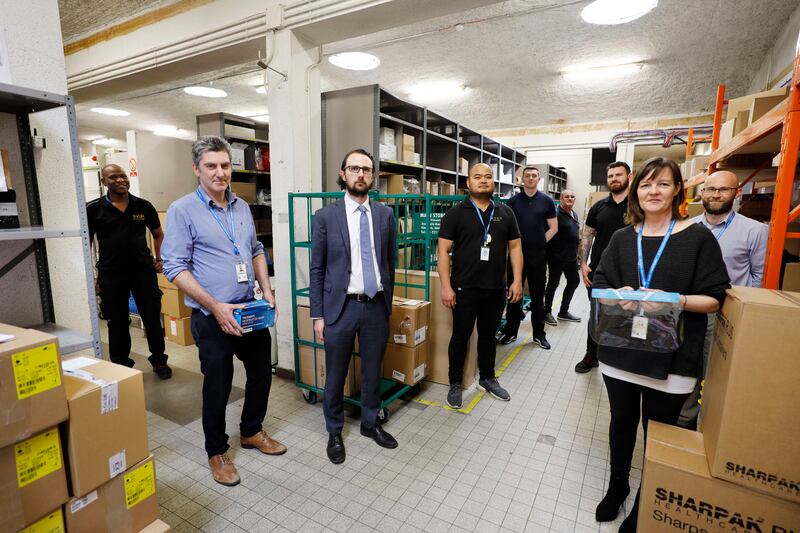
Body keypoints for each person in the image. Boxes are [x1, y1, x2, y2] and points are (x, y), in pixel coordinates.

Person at [591, 157, 729, 532]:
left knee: (660, 430)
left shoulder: (697, 237)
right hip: (621, 350)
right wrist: (617, 295)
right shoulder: (622, 238)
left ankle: (646, 497)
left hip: (672, 357)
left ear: (677, 190)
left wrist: (675, 300)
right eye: (646, 184)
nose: (653, 191)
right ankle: (617, 484)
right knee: (621, 422)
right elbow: (599, 282)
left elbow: (715, 298)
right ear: (636, 191)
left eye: (663, 184)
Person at [161, 136, 284, 487]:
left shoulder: (242, 207)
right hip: (212, 315)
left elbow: (256, 249)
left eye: (225, 165)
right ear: (196, 169)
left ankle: (252, 431)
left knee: (262, 371)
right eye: (212, 166)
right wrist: (215, 306)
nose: (220, 173)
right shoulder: (183, 210)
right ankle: (216, 450)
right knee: (219, 382)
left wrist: (268, 290)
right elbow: (174, 267)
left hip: (249, 310)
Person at [310, 148, 398, 465]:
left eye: (366, 169)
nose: (360, 174)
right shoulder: (325, 217)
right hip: (339, 308)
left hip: (375, 306)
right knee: (335, 375)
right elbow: (317, 269)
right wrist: (318, 314)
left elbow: (390, 262)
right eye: (354, 168)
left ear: (372, 176)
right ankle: (334, 431)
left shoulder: (386, 215)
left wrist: (387, 302)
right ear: (343, 174)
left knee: (373, 371)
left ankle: (370, 423)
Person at [677, 170, 768, 428]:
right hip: (692, 309)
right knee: (690, 365)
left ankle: (710, 423)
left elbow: (758, 276)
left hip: (726, 314)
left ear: (736, 193)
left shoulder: (755, 231)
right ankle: (685, 419)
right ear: (702, 193)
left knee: (715, 371)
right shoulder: (688, 229)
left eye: (724, 189)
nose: (716, 194)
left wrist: (746, 316)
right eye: (711, 189)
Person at [438, 163, 523, 409]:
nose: (483, 181)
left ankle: (487, 377)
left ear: (494, 182)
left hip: (495, 288)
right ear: (468, 182)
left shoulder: (505, 213)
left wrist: (516, 280)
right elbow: (443, 250)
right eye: (477, 177)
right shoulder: (456, 213)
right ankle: (455, 383)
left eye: (488, 177)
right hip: (464, 288)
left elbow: (515, 248)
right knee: (461, 336)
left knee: (488, 336)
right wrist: (446, 286)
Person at [86, 164, 172, 379]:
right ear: (103, 181)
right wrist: (91, 276)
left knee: (152, 318)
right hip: (111, 274)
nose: (120, 180)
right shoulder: (93, 209)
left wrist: (159, 259)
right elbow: (85, 243)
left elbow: (158, 234)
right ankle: (122, 365)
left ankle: (159, 361)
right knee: (117, 322)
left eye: (123, 176)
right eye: (113, 177)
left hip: (143, 271)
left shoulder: (143, 206)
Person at [574, 161, 631, 373]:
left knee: (626, 315)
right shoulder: (599, 207)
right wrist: (583, 263)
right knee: (597, 314)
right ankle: (592, 355)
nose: (614, 179)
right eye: (611, 176)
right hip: (599, 272)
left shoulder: (638, 205)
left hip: (629, 273)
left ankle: (622, 356)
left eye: (618, 175)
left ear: (629, 177)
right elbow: (587, 236)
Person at [498, 166, 557, 348]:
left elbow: (554, 227)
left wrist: (540, 241)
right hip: (516, 256)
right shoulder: (513, 202)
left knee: (538, 296)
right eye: (527, 176)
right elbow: (507, 229)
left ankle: (539, 334)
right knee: (514, 294)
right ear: (521, 179)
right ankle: (511, 331)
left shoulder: (546, 201)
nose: (531, 178)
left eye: (534, 176)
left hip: (538, 256)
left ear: (539, 179)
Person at [543, 189, 581, 326]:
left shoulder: (574, 214)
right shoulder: (555, 214)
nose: (569, 198)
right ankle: (546, 312)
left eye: (572, 196)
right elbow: (547, 234)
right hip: (557, 257)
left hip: (571, 257)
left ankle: (563, 311)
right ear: (561, 198)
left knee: (574, 281)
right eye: (566, 196)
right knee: (553, 284)